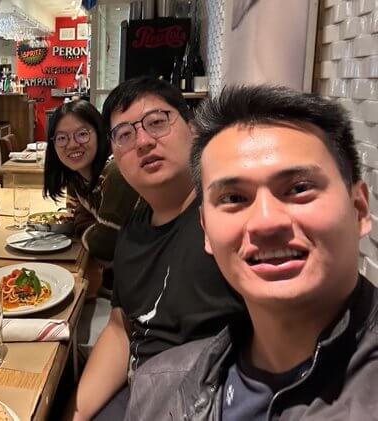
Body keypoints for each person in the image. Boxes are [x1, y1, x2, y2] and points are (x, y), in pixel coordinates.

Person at [126, 85, 378, 420]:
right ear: (206, 231)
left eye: (299, 189)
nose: (265, 222)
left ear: (359, 209)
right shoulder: (157, 388)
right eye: (233, 198)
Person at [73, 77, 245, 420]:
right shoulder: (134, 228)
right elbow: (121, 330)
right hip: (139, 394)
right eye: (125, 134)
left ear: (193, 130)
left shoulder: (227, 221)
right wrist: (79, 415)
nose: (143, 141)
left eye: (157, 122)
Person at [43, 100, 139, 354]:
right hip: (114, 285)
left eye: (82, 134)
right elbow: (77, 213)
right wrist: (86, 224)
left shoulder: (116, 174)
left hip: (135, 299)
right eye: (62, 138)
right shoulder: (79, 177)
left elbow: (103, 245)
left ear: (100, 133)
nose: (73, 144)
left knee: (59, 329)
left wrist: (84, 225)